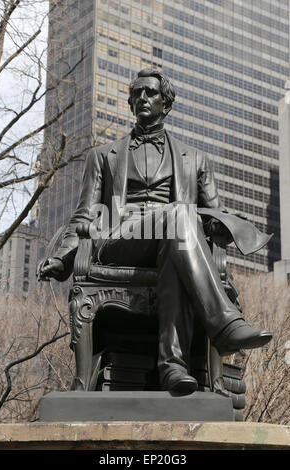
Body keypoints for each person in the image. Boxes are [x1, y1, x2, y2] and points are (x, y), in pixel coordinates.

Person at [39, 69, 272, 393]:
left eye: (150, 93)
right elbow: (84, 216)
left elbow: (215, 214)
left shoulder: (197, 159)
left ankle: (173, 369)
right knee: (180, 213)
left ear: (166, 102)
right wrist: (63, 258)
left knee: (177, 235)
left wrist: (223, 227)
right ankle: (223, 322)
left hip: (174, 243)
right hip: (121, 240)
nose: (143, 98)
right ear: (131, 102)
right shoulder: (102, 157)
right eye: (137, 93)